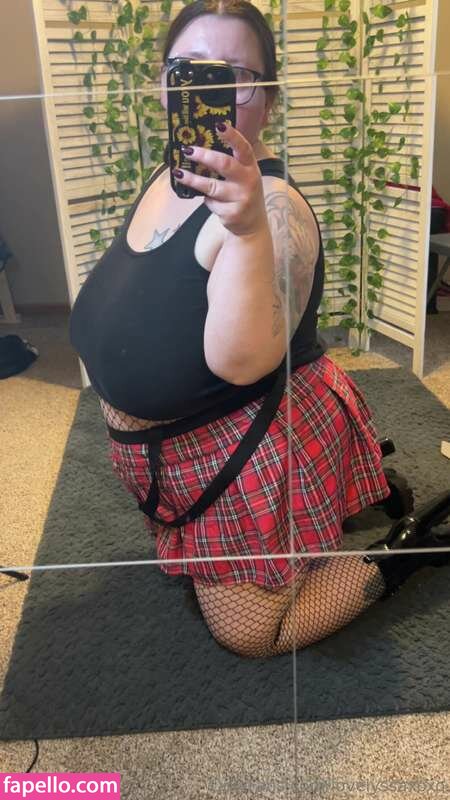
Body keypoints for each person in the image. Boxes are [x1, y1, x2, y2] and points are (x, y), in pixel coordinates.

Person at [69, 0, 450, 659]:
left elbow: (241, 362)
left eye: (234, 77)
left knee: (252, 633)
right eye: (188, 70)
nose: (207, 91)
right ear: (163, 86)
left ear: (268, 100)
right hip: (173, 456)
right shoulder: (172, 171)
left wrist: (246, 230)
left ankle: (410, 549)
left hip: (246, 446)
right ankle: (340, 497)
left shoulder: (274, 211)